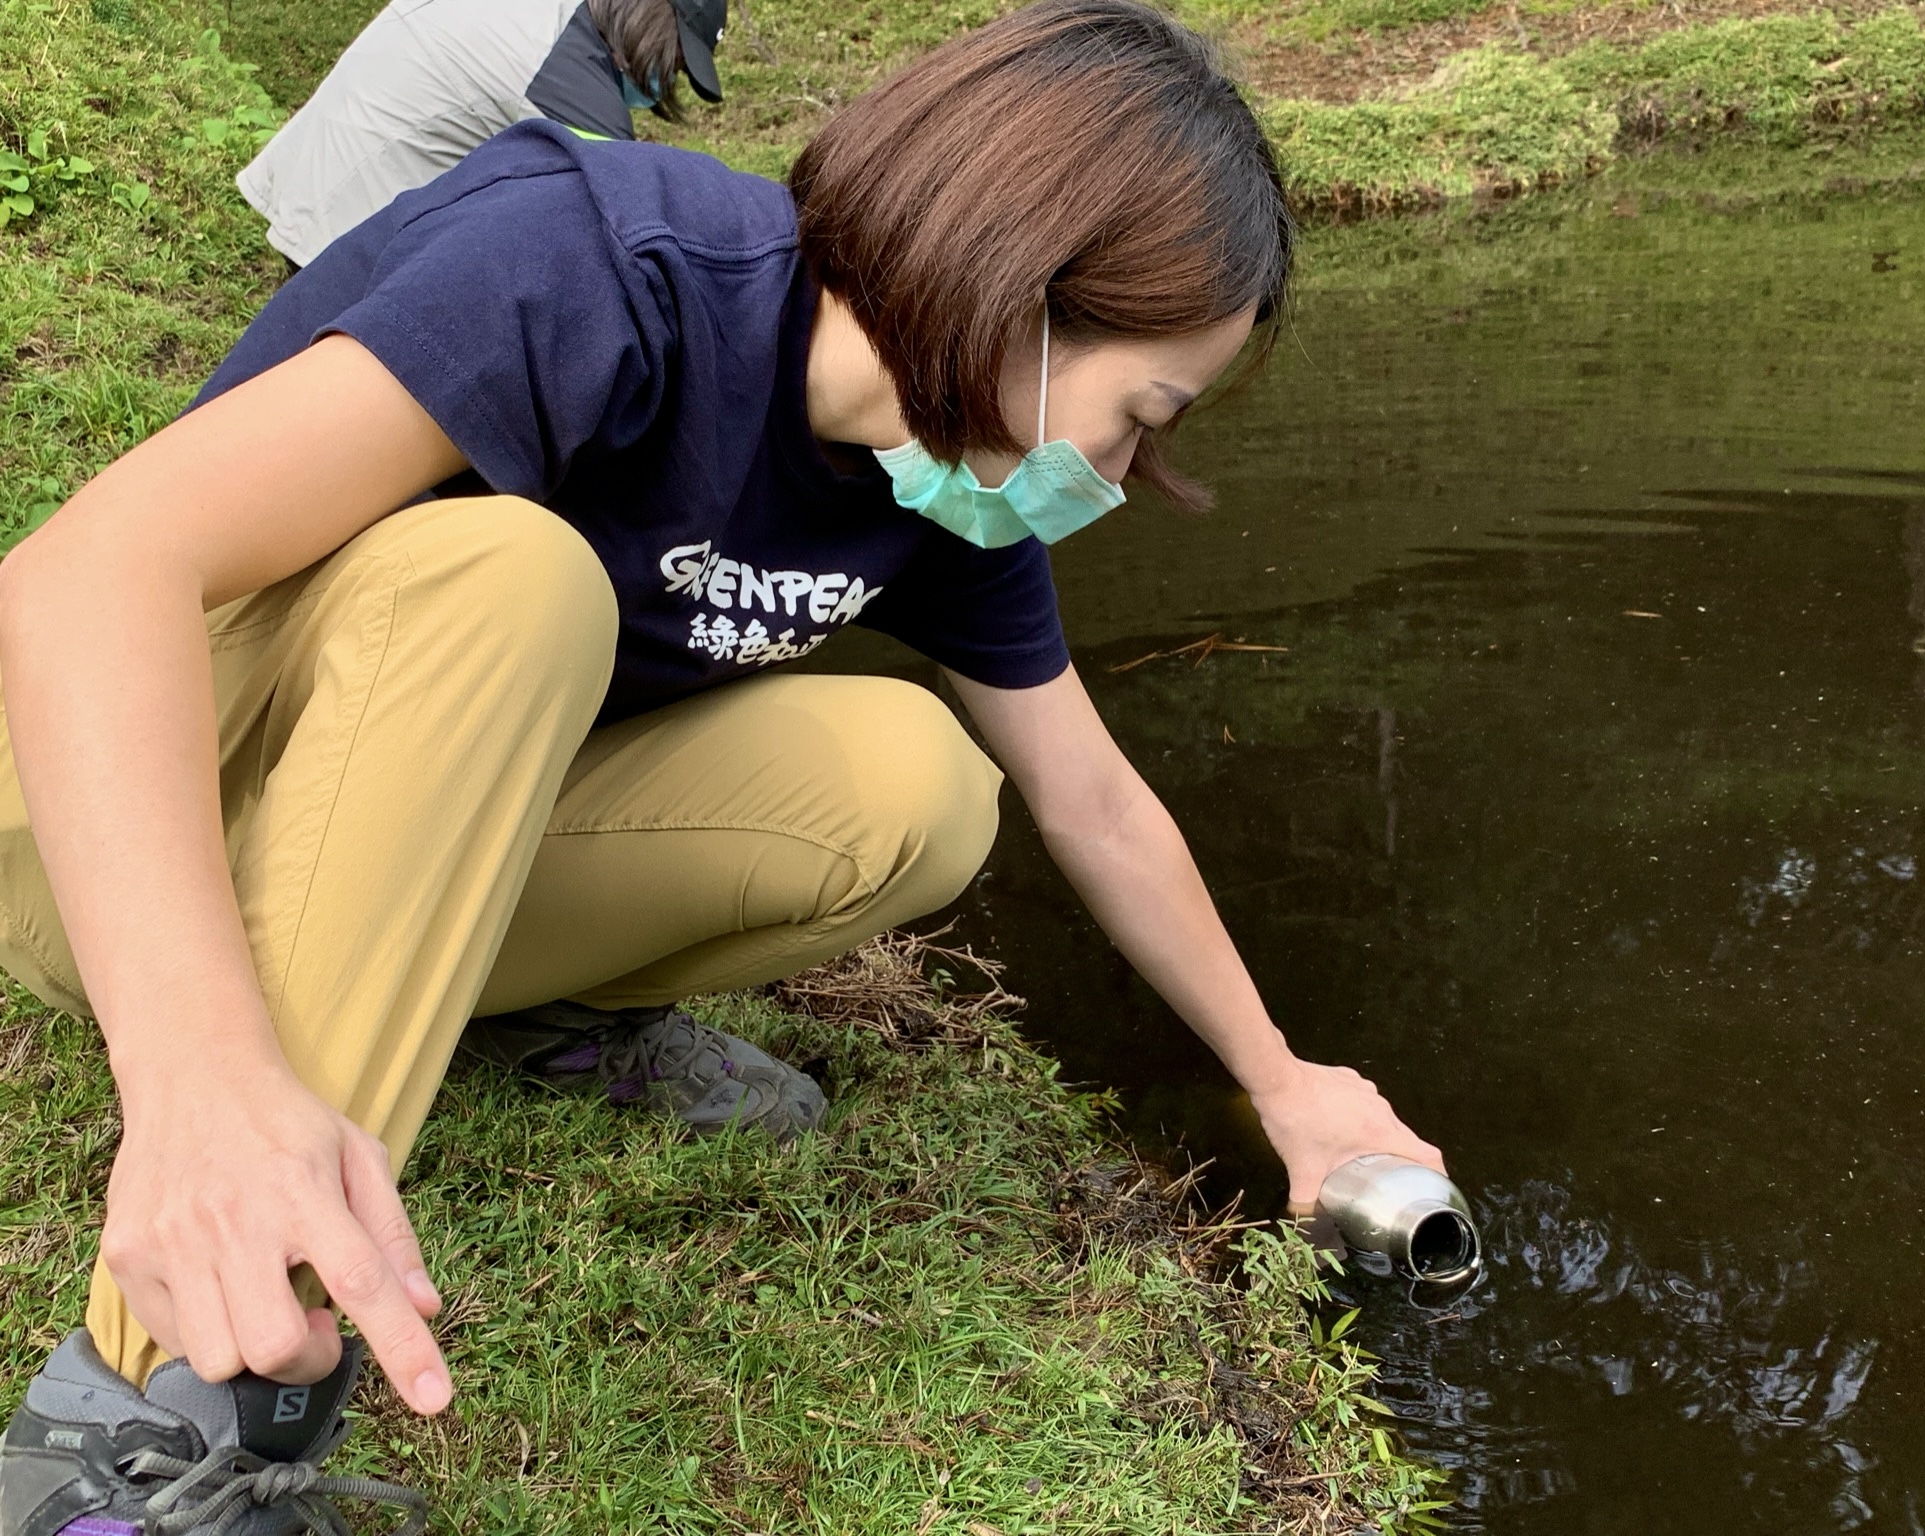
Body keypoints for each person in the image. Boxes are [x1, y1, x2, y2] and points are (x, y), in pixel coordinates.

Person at [0, 2, 1444, 1530]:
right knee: (512, 580)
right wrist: (199, 1080)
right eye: (1143, 417)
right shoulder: (602, 265)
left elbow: (1091, 795)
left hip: (405, 861)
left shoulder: (937, 490)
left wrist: (1281, 1077)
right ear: (1020, 296)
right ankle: (125, 1423)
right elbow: (89, 579)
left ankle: (533, 1008)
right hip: (109, 837)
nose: (1129, 476)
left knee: (919, 786)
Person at [238, 0, 727, 268]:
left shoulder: (550, 20)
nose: (669, 78)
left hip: (323, 172)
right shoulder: (563, 69)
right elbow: (627, 222)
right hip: (349, 231)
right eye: (678, 60)